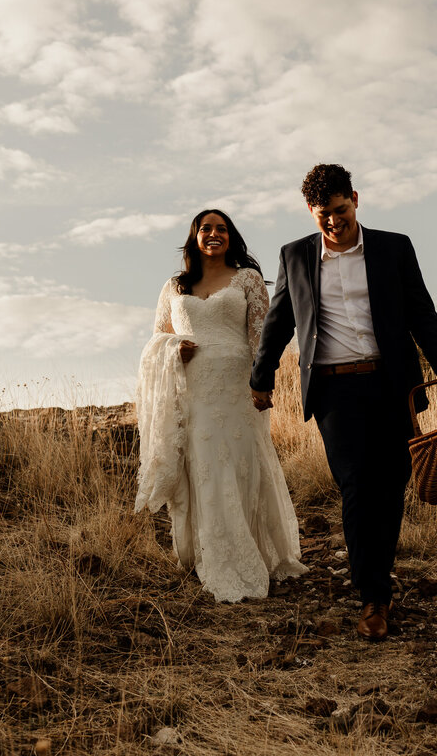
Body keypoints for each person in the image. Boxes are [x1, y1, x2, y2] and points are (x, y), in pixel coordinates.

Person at [250, 164, 437, 640]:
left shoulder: (394, 247)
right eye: (323, 214)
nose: (333, 222)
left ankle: (379, 582)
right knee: (356, 487)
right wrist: (261, 379)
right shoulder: (295, 257)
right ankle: (372, 597)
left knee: (390, 487)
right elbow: (279, 323)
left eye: (340, 210)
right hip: (334, 391)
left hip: (392, 385)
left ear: (356, 200)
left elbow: (420, 309)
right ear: (311, 211)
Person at [135, 209, 307, 602]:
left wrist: (263, 385)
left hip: (237, 387)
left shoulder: (246, 278)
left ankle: (253, 553)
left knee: (241, 463)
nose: (214, 234)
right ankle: (206, 555)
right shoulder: (175, 286)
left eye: (222, 229)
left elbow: (262, 336)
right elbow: (157, 338)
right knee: (203, 465)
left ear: (231, 237)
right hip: (193, 390)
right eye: (206, 228)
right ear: (194, 237)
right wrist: (174, 348)